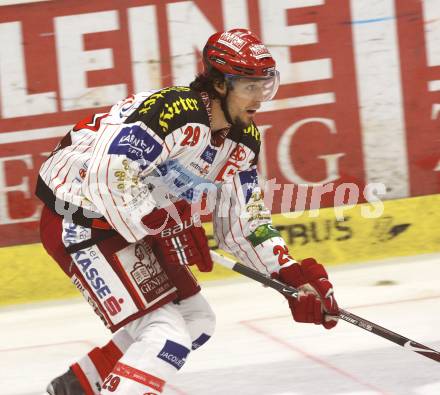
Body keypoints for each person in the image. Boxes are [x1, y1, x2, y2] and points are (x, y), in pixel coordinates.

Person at [36, 28, 340, 395]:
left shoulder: (243, 141)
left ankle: (78, 387)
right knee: (166, 336)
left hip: (128, 228)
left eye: (265, 86)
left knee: (196, 320)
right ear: (219, 83)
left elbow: (244, 222)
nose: (260, 98)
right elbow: (110, 171)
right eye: (250, 87)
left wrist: (291, 277)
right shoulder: (173, 111)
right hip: (79, 222)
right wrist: (161, 220)